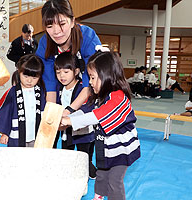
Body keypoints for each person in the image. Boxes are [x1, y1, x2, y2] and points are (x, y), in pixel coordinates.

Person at [61, 51, 140, 200]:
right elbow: (86, 110)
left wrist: (69, 121)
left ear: (106, 75)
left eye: (92, 77)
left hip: (121, 150)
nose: (90, 82)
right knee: (101, 173)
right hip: (106, 146)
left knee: (114, 180)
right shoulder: (100, 96)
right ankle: (99, 196)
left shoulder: (118, 97)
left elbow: (97, 115)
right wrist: (68, 117)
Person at [36, 0, 101, 115]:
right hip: (62, 92)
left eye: (62, 24)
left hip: (88, 92)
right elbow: (49, 84)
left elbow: (90, 82)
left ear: (72, 22)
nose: (56, 31)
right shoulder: (45, 44)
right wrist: (52, 114)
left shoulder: (87, 37)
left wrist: (69, 111)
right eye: (50, 26)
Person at [0, 54, 46, 147]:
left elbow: (44, 112)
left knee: (35, 157)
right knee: (17, 158)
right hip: (17, 133)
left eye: (34, 78)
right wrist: (5, 133)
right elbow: (5, 113)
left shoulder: (40, 91)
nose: (29, 80)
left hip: (36, 133)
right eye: (26, 76)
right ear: (19, 72)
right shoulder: (13, 92)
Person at [53, 52, 96, 178]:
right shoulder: (58, 88)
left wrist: (68, 119)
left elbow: (86, 108)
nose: (62, 76)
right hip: (66, 131)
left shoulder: (83, 88)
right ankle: (70, 174)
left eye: (66, 72)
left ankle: (87, 171)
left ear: (76, 71)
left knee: (84, 155)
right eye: (58, 72)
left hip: (83, 130)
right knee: (67, 154)